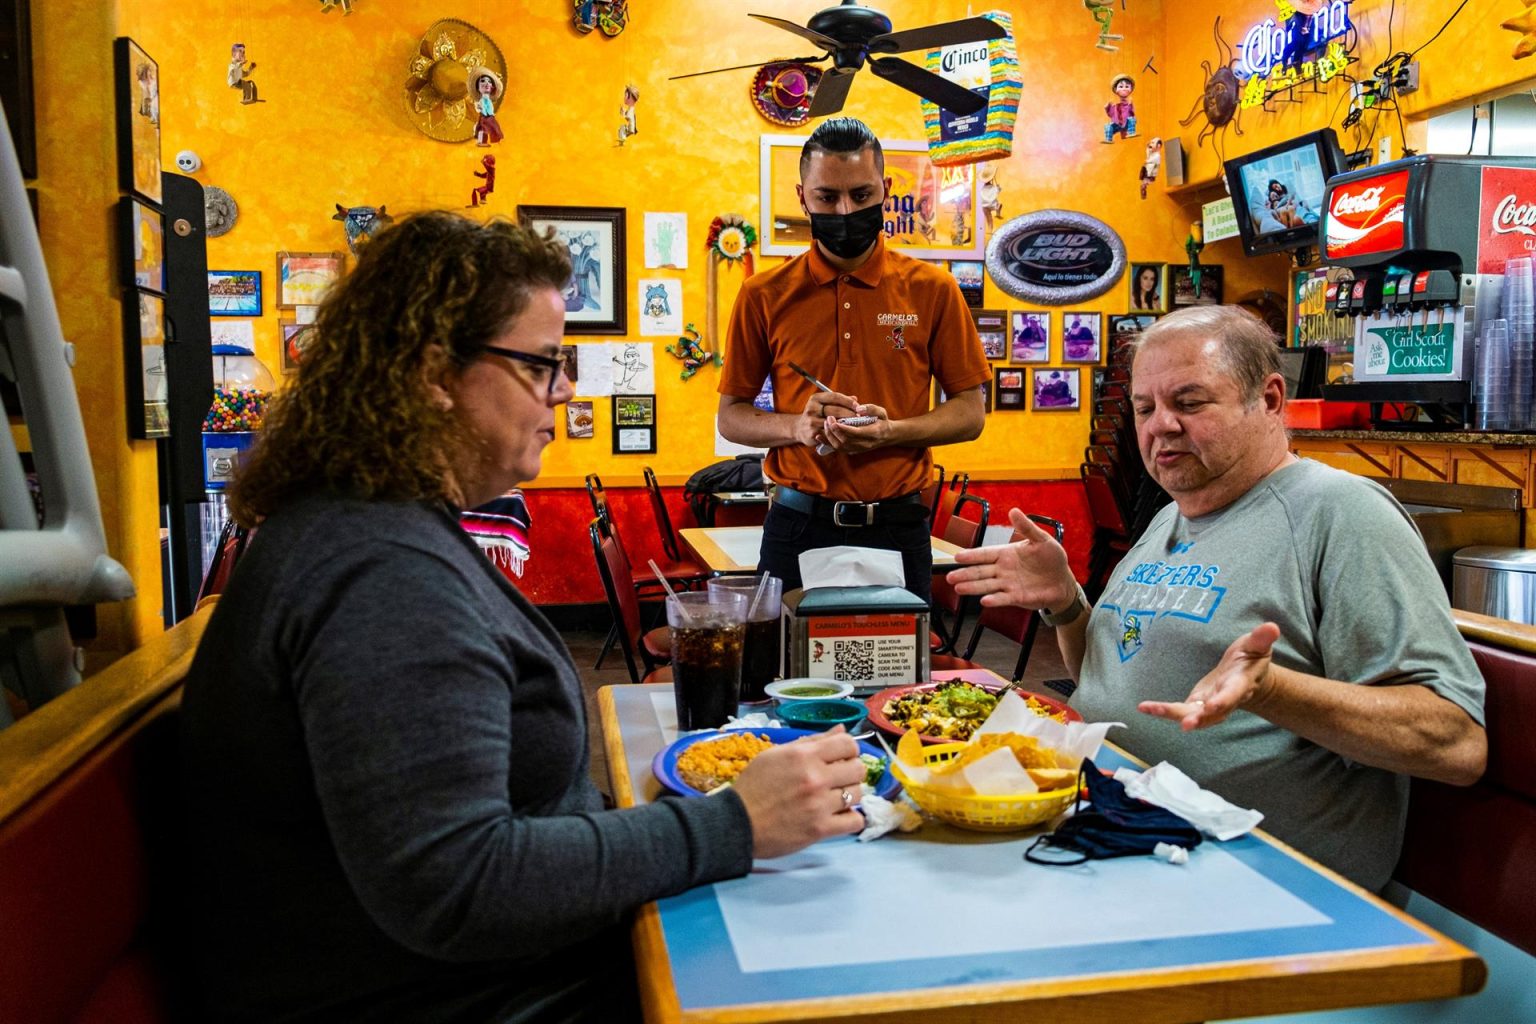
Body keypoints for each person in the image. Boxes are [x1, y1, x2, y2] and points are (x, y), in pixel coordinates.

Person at [178, 211, 869, 1022]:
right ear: (437, 372)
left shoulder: (361, 523)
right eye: (543, 363)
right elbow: (457, 884)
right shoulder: (382, 574)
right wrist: (733, 824)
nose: (566, 387)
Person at [946, 305, 1486, 892]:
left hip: (1258, 885)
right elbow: (1107, 678)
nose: (1161, 426)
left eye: (1190, 402)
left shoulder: (1342, 513)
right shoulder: (1168, 520)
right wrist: (1068, 605)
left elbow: (1456, 742)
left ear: (1271, 400)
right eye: (1145, 408)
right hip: (1117, 841)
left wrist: (1273, 691)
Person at [717, 117, 990, 604]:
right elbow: (731, 417)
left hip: (898, 526)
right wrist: (798, 428)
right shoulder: (763, 294)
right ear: (803, 197)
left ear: (885, 190)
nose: (845, 210)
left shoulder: (934, 289)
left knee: (900, 678)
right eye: (827, 198)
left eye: (862, 196)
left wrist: (891, 433)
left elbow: (970, 413)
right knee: (780, 673)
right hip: (796, 524)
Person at [471, 68, 504, 146]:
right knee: (483, 129)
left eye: (489, 81)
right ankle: (482, 141)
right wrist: (481, 109)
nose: (487, 83)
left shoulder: (488, 100)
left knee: (489, 128)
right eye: (483, 81)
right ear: (478, 87)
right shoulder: (481, 100)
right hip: (485, 117)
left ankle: (489, 140)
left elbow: (489, 108)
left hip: (489, 116)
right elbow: (480, 108)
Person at [1103, 73, 1136, 142]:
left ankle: (1131, 132)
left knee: (1132, 119)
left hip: (1126, 124)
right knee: (1108, 126)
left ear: (1131, 89)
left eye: (1127, 86)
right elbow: (1110, 113)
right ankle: (1108, 139)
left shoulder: (1129, 102)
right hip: (1117, 125)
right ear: (1115, 89)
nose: (1124, 89)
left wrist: (1130, 105)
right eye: (1121, 86)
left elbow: (1132, 112)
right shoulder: (1115, 105)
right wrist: (1107, 107)